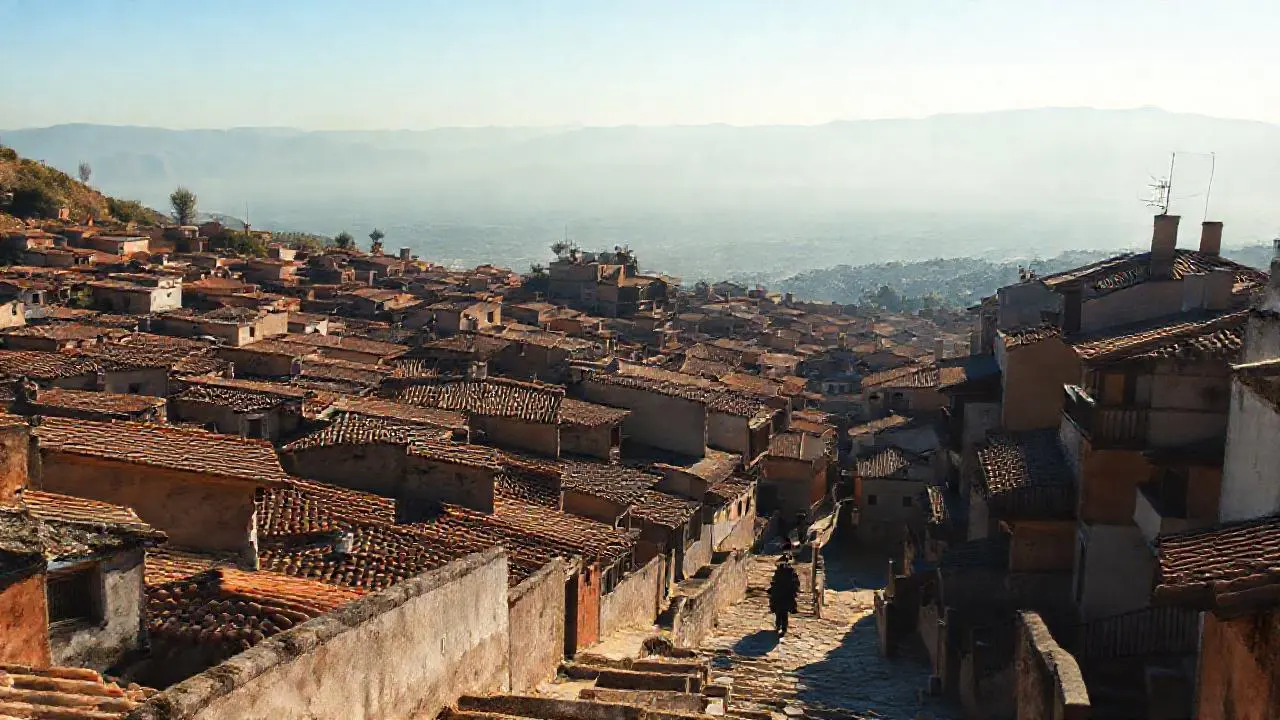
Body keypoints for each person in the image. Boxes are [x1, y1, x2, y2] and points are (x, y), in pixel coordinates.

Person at [768, 553, 801, 637]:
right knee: (782, 612)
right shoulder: (788, 572)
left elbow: (775, 582)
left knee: (781, 612)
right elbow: (795, 583)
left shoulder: (785, 572)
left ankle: (781, 627)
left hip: (783, 594)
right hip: (784, 594)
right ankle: (781, 627)